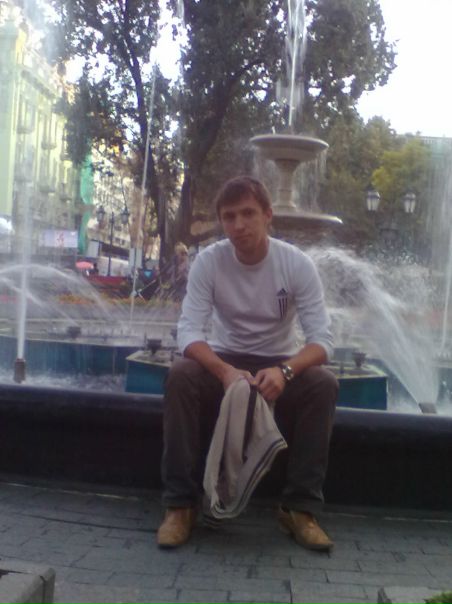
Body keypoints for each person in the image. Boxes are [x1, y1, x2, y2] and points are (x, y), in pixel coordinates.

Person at [157, 175, 338, 551]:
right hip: (226, 359)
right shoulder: (210, 262)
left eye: (248, 213)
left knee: (323, 383)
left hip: (279, 362)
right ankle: (180, 505)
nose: (239, 225)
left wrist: (286, 371)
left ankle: (299, 509)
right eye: (229, 216)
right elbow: (188, 332)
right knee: (180, 375)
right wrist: (223, 371)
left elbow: (323, 341)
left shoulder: (296, 264)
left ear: (268, 215)